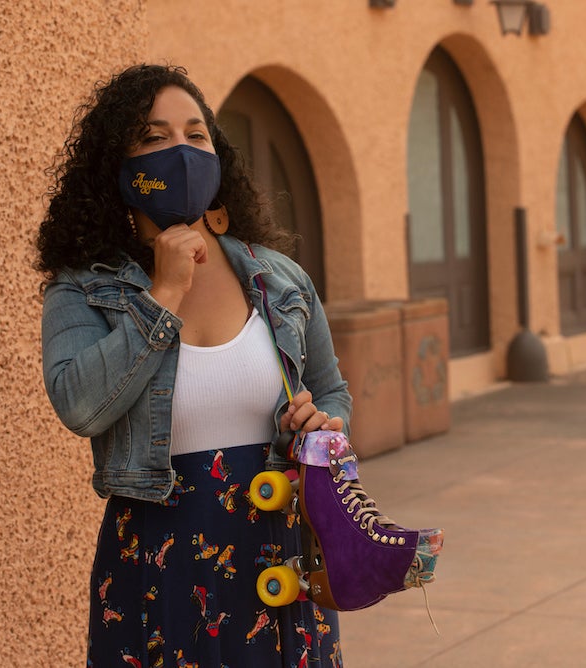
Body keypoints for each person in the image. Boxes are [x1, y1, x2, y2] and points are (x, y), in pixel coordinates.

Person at [36, 64, 350, 667]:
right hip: (161, 568)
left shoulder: (278, 280)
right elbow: (79, 405)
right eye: (154, 138)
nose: (180, 151)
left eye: (196, 135)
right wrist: (164, 296)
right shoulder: (82, 290)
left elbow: (331, 391)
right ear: (118, 168)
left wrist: (324, 424)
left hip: (282, 558)